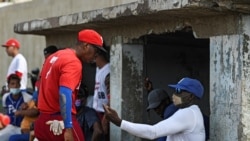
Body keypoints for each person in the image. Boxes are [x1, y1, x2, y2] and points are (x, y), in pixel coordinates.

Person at [35, 29, 107, 141]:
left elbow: (40, 88)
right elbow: (64, 94)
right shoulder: (73, 62)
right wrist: (68, 128)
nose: (96, 56)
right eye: (96, 51)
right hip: (59, 121)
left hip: (43, 120)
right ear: (86, 46)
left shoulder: (54, 56)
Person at [104, 77, 206, 141]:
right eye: (175, 90)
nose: (174, 94)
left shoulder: (187, 114)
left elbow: (153, 132)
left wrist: (119, 122)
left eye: (179, 91)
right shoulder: (193, 112)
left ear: (191, 96)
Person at [1, 74, 32, 141]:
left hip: (22, 128)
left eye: (17, 84)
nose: (15, 86)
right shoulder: (5, 98)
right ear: (8, 86)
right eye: (12, 84)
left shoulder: (27, 98)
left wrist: (25, 110)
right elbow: (4, 113)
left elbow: (34, 114)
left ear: (20, 85)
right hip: (9, 127)